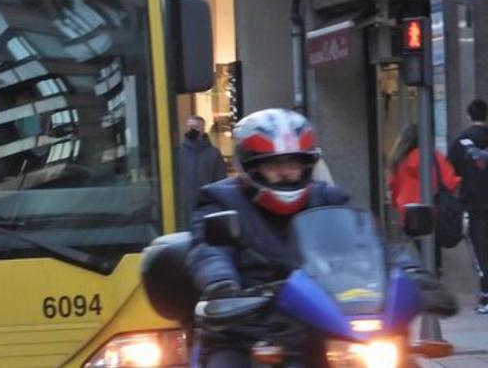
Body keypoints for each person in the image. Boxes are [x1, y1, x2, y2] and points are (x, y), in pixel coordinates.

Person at [186, 108, 448, 366]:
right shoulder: (220, 201)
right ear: (251, 166)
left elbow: (371, 245)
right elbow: (209, 251)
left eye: (294, 163)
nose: (286, 171)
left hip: (323, 326)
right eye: (274, 164)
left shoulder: (329, 198)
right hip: (249, 327)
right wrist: (222, 285)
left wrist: (413, 274)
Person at [386, 124, 459, 276]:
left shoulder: (399, 160)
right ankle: (434, 280)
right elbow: (450, 182)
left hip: (409, 214)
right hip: (432, 212)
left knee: (414, 254)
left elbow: (393, 188)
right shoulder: (434, 156)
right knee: (433, 256)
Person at [448, 99, 488, 314]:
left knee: (481, 251)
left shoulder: (459, 142)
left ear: (468, 115)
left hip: (473, 204)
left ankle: (486, 295)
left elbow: (450, 173)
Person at [177, 115, 228, 213]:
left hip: (207, 204)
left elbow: (220, 179)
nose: (192, 130)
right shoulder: (179, 152)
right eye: (190, 127)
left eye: (196, 127)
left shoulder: (213, 153)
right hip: (184, 205)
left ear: (203, 129)